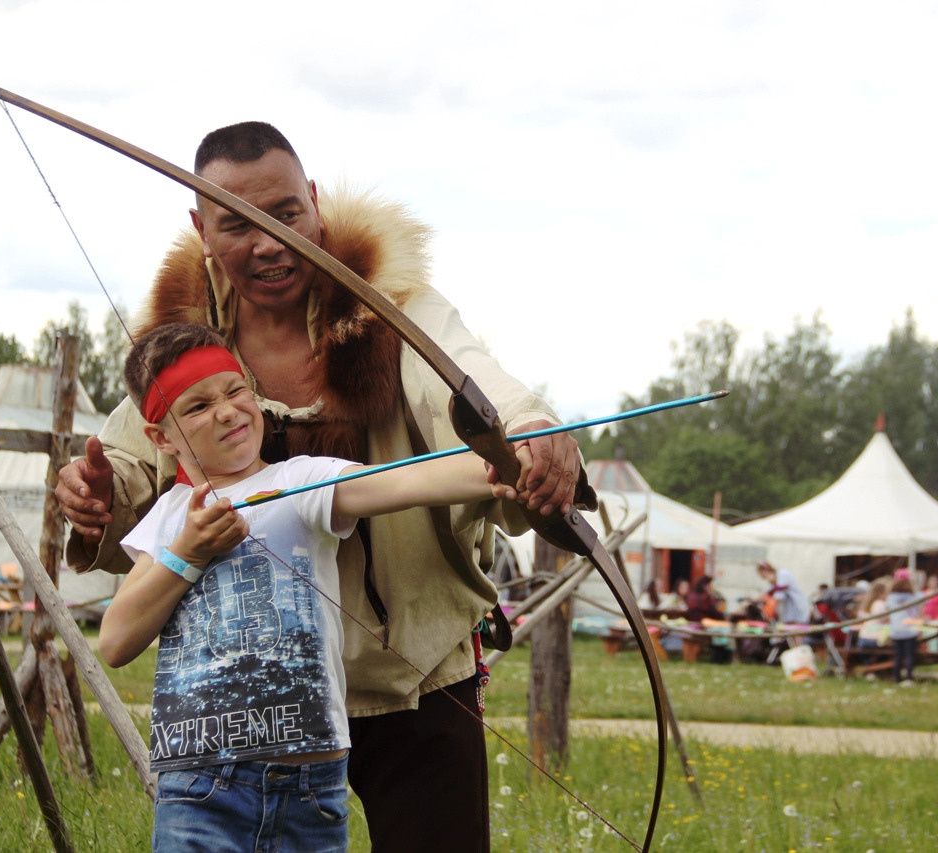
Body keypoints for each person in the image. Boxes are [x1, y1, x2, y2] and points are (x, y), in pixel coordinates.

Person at [57, 122, 589, 851]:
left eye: (285, 215)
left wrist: (526, 432)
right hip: (263, 722)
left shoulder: (393, 302)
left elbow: (465, 378)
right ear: (201, 231)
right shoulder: (193, 338)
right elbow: (130, 456)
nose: (269, 244)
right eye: (236, 224)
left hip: (416, 673)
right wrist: (94, 497)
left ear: (313, 200)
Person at [99, 324, 530, 851]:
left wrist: (510, 466)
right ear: (161, 438)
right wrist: (186, 554)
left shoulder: (301, 481)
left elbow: (408, 480)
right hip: (199, 788)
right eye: (197, 407)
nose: (228, 411)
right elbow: (116, 641)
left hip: (310, 791)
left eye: (236, 391)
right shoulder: (171, 518)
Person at [885, 569, 921, 684]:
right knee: (910, 654)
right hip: (910, 628)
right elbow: (922, 599)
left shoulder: (891, 597)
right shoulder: (914, 596)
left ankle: (897, 677)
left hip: (896, 629)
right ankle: (909, 676)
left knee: (898, 655)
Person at [854, 578, 891, 649]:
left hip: (862, 638)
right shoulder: (881, 604)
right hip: (875, 639)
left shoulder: (866, 604)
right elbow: (884, 621)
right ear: (881, 593)